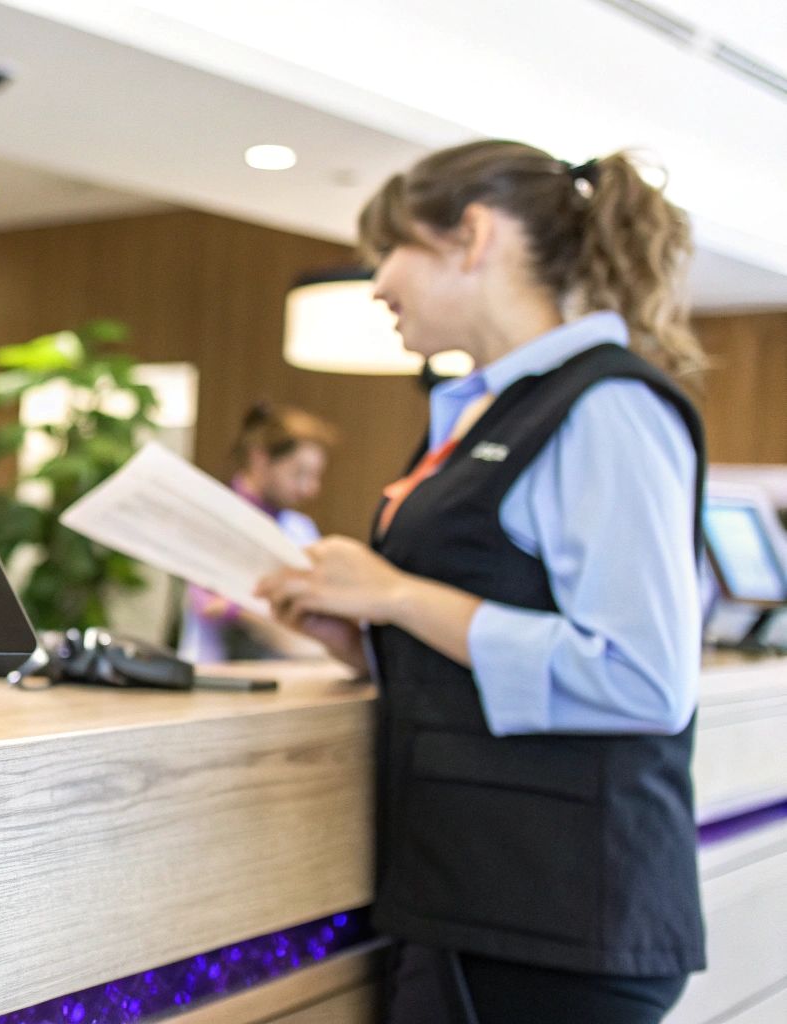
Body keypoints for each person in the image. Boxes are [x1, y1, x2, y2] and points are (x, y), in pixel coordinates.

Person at [256, 140, 706, 1024]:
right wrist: (368, 638)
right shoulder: (491, 410)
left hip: (555, 921)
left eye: (393, 250)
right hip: (479, 903)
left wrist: (392, 594)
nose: (378, 283)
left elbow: (644, 677)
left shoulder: (607, 407)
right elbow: (494, 632)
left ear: (472, 235)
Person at [180, 402, 336, 662]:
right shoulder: (215, 519)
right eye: (299, 474)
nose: (311, 489)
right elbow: (211, 605)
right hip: (217, 671)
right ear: (260, 460)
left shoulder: (300, 529)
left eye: (315, 477)